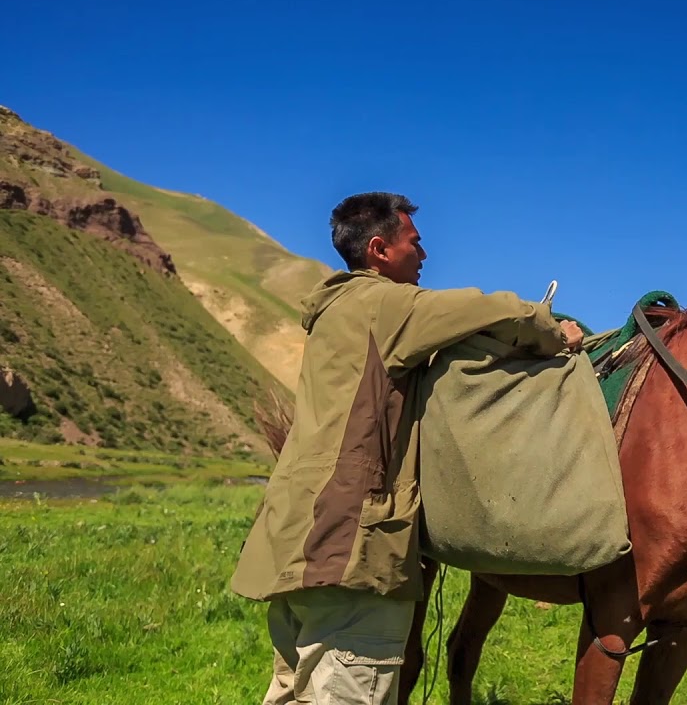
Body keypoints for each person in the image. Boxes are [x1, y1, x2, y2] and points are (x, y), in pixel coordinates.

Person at [229, 192, 583, 705]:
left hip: (294, 542)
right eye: (414, 243)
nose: (425, 255)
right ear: (379, 249)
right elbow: (497, 310)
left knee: (293, 693)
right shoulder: (386, 306)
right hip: (350, 550)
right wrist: (558, 333)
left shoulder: (334, 314)